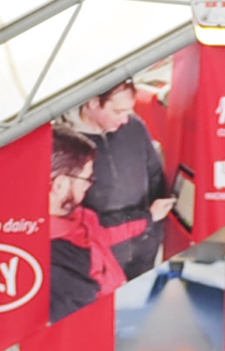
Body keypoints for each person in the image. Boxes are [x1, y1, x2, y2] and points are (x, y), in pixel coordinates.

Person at [68, 78, 174, 280]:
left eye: (128, 111)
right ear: (92, 102)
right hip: (100, 253)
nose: (125, 119)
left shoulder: (134, 127)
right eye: (118, 112)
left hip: (144, 246)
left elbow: (154, 175)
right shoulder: (66, 142)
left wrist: (154, 228)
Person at [46, 129, 125, 322]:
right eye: (86, 178)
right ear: (59, 185)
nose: (89, 185)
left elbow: (105, 233)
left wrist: (150, 216)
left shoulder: (78, 216)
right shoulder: (57, 265)